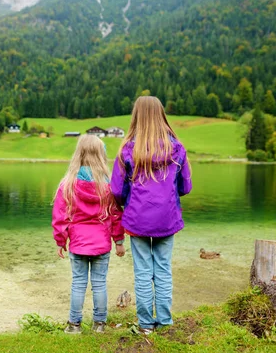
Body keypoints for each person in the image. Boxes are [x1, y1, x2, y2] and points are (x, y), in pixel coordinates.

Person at [111, 96, 192, 334]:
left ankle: (146, 325)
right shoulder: (176, 147)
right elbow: (185, 187)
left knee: (143, 272)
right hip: (167, 219)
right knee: (164, 269)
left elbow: (116, 189)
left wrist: (128, 200)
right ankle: (165, 322)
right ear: (161, 115)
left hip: (137, 220)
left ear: (136, 116)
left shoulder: (127, 149)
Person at [52, 134, 125, 334]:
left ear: (79, 154)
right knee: (99, 284)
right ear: (101, 155)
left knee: (78, 284)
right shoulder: (109, 185)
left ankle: (74, 325)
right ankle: (99, 325)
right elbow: (116, 215)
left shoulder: (67, 184)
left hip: (78, 243)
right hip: (101, 243)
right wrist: (118, 241)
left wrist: (60, 241)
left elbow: (60, 217)